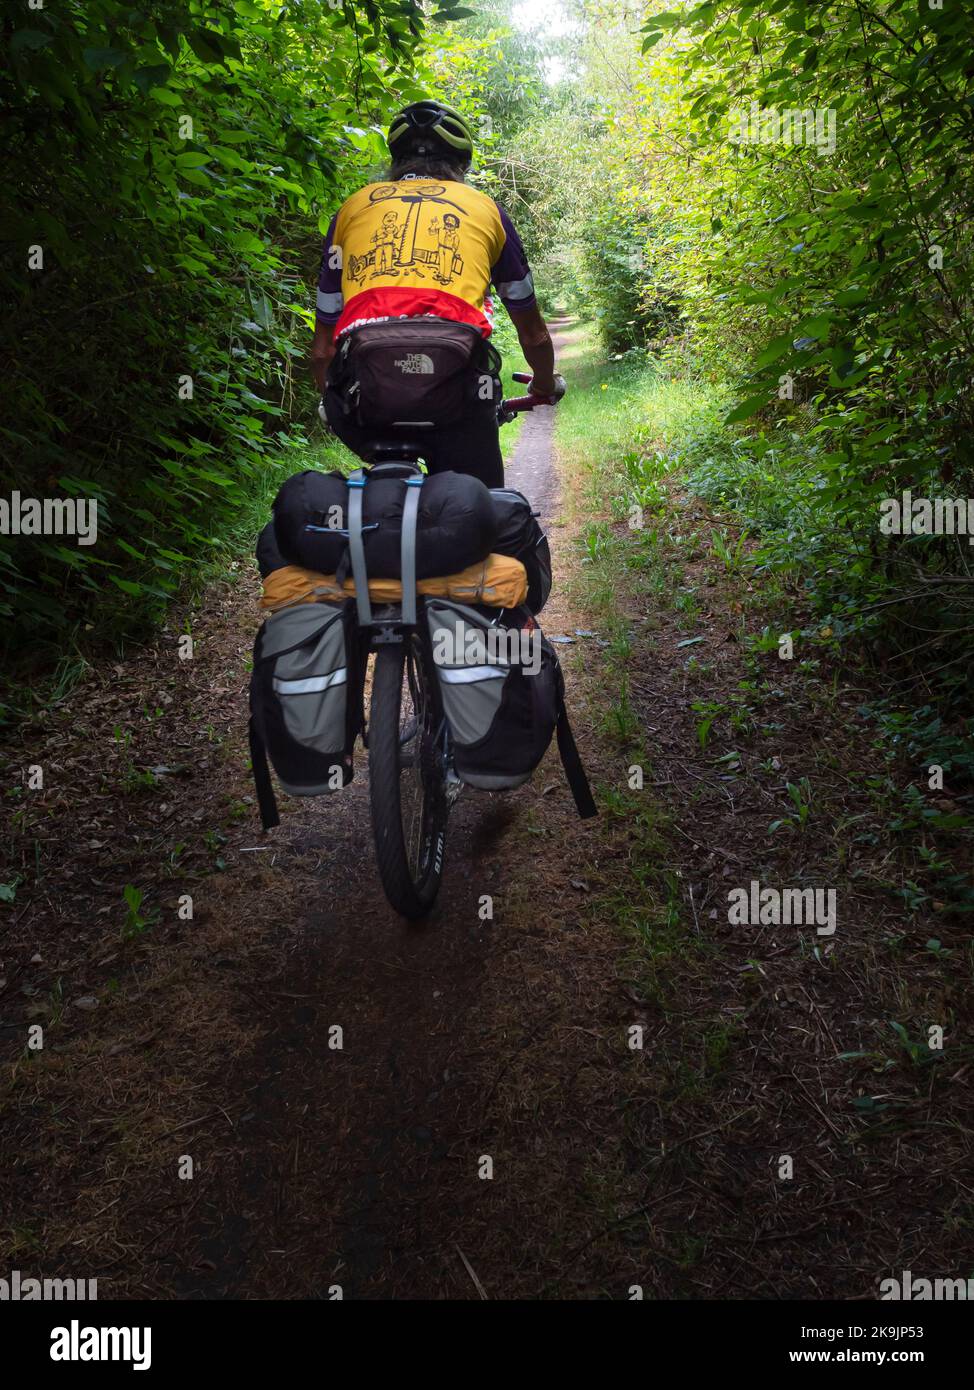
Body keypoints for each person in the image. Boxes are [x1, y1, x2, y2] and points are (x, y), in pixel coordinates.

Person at [310, 99, 564, 488]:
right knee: (484, 514)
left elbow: (323, 349)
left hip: (368, 399)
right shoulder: (485, 209)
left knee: (377, 500)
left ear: (396, 161)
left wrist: (333, 401)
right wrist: (544, 384)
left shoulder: (352, 208)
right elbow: (533, 333)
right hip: (460, 396)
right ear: (461, 163)